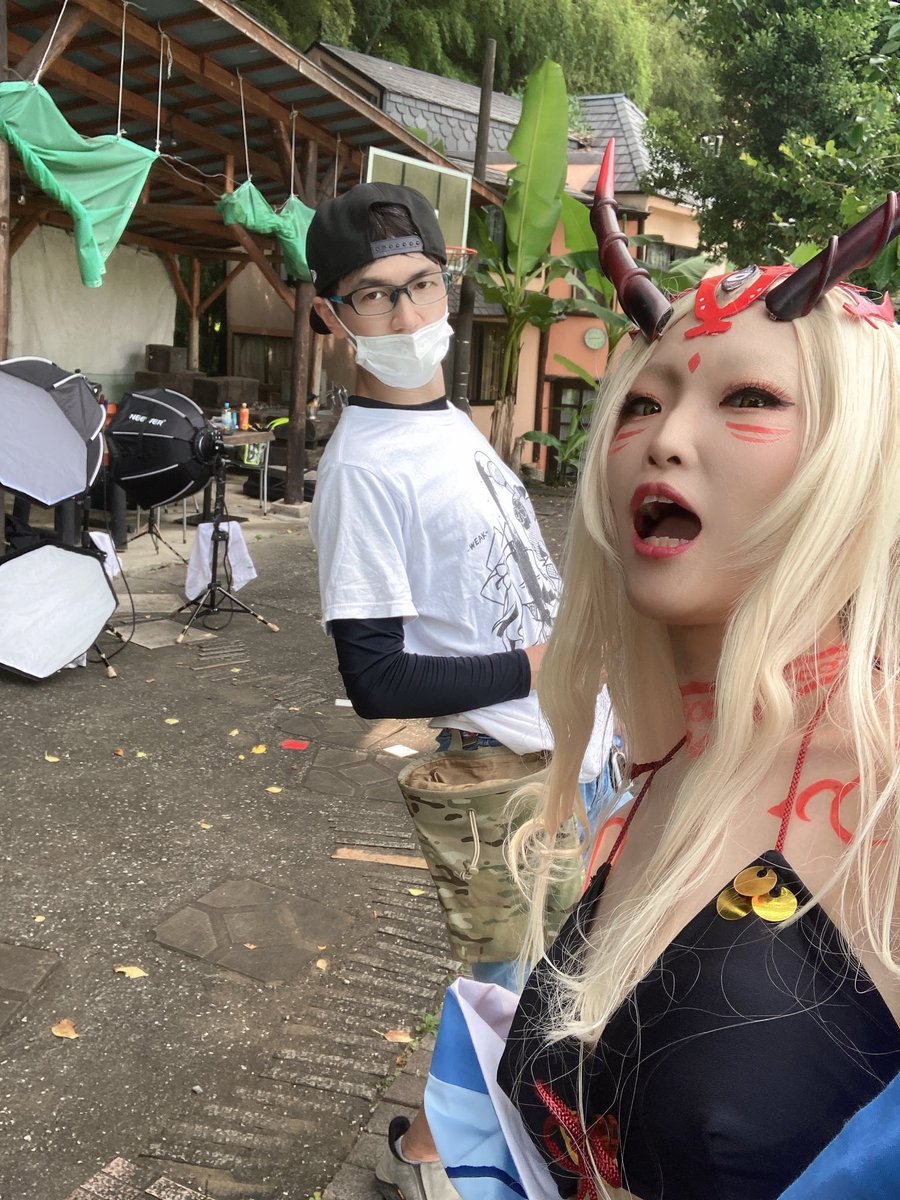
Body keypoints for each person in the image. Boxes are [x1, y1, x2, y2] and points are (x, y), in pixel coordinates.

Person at [494, 146, 900, 1200]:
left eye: (749, 397)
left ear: (860, 457)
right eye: (642, 402)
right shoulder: (661, 760)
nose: (665, 439)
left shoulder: (889, 795)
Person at [304, 182, 614, 1200]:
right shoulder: (364, 468)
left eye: (422, 284)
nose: (406, 315)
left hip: (577, 746)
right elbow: (374, 677)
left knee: (541, 977)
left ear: (450, 284)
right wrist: (536, 666)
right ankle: (429, 1159)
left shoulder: (450, 425)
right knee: (511, 986)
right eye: (374, 295)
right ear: (334, 316)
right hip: (506, 765)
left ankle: (462, 1145)